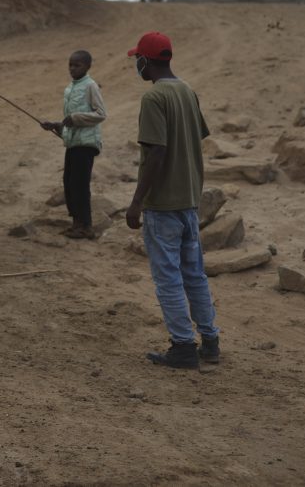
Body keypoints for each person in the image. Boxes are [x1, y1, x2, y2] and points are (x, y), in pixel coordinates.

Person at [125, 31, 219, 370]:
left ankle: (182, 347)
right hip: (190, 200)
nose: (137, 65)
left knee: (168, 279)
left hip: (163, 205)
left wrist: (137, 202)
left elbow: (157, 152)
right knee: (194, 274)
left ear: (146, 61)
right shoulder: (186, 91)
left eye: (138, 59)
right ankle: (210, 341)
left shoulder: (154, 98)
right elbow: (197, 136)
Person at [41, 50, 107, 239]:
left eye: (76, 65)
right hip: (73, 142)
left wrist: (75, 118)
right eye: (70, 64)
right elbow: (68, 120)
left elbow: (101, 114)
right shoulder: (70, 88)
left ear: (87, 67)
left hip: (86, 144)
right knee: (69, 184)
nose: (72, 68)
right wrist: (56, 126)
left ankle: (86, 226)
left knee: (80, 184)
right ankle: (76, 223)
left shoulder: (91, 86)